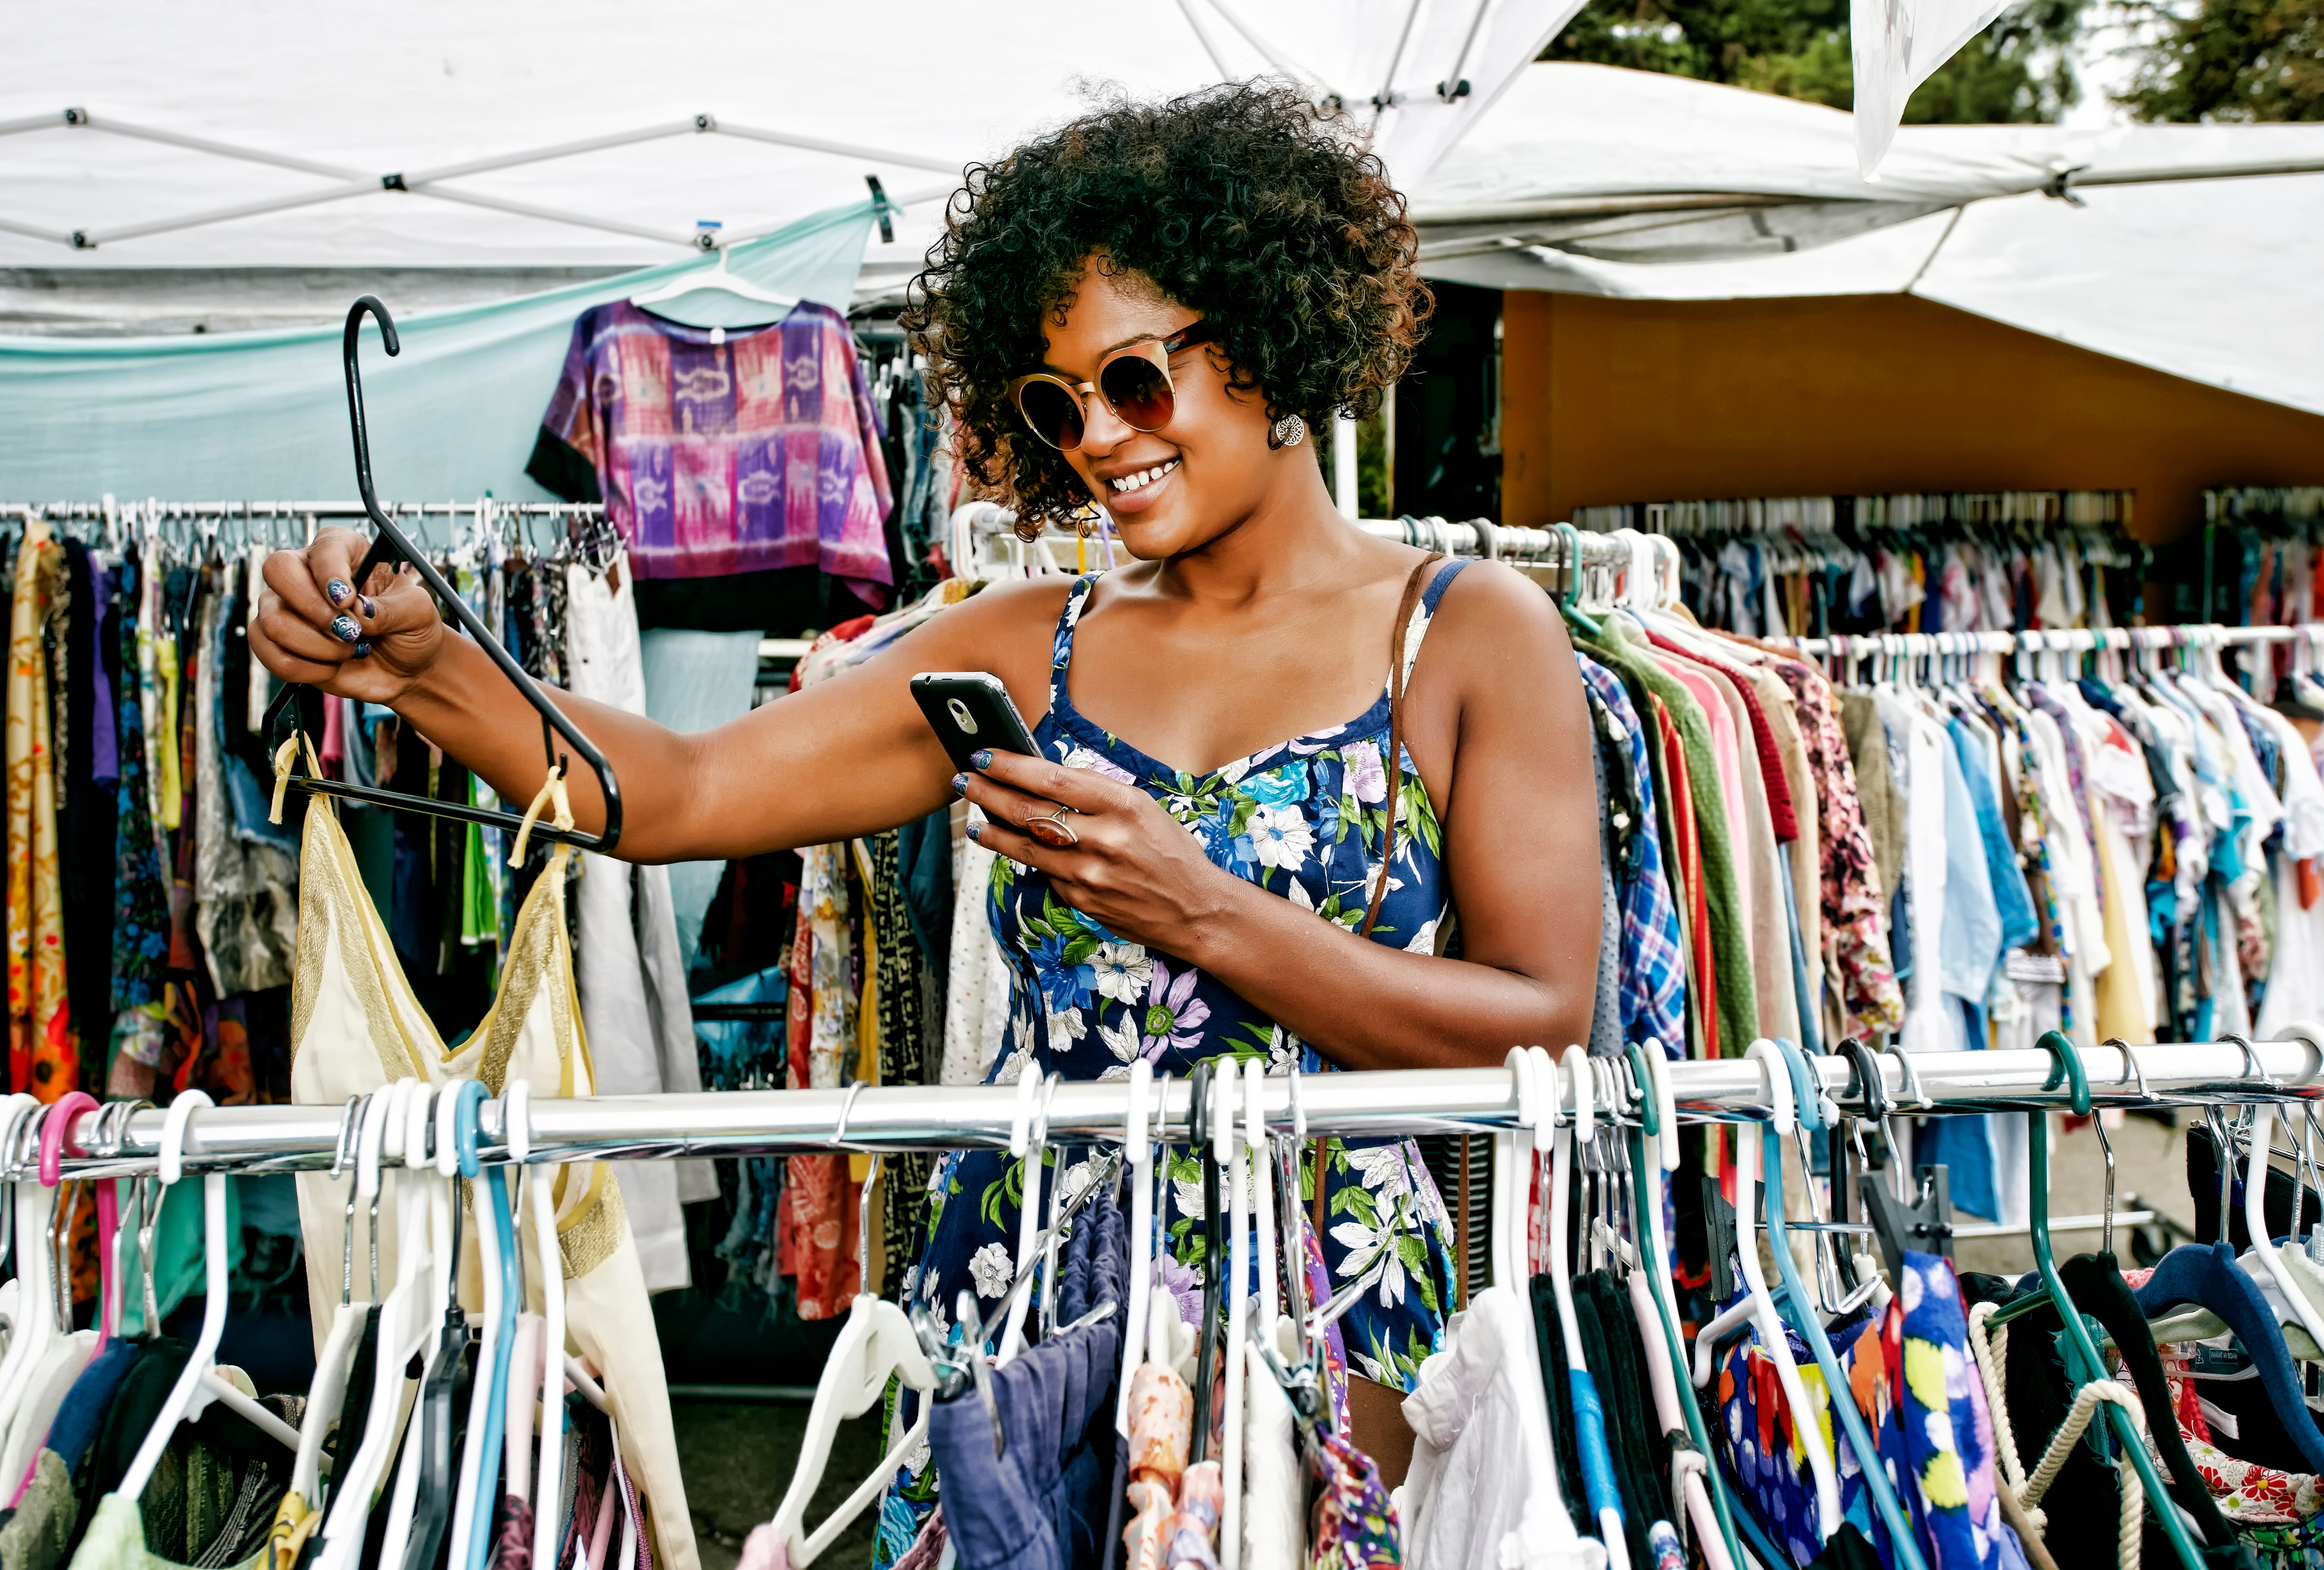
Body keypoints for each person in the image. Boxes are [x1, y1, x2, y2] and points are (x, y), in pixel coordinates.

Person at [250, 81, 1601, 1478]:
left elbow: (1545, 1024)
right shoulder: (1024, 643)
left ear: (1269, 338)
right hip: (1029, 1291)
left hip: (1330, 1302)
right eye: (1057, 403)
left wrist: (1199, 909)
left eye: (1136, 382)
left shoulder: (1466, 634)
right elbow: (683, 792)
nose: (1099, 438)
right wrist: (430, 673)